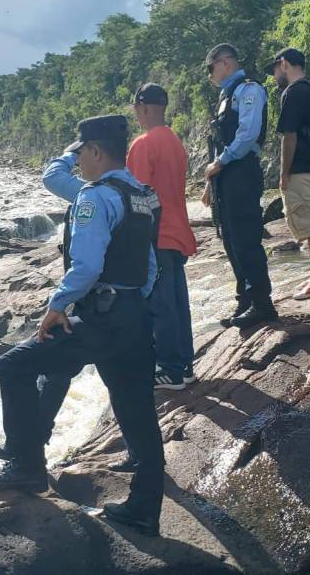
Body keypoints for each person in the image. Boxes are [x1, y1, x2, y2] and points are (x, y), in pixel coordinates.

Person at [0, 115, 165, 537]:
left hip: (99, 317)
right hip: (134, 314)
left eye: (80, 153)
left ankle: (25, 465)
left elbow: (87, 265)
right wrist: (134, 300)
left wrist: (56, 305)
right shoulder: (142, 195)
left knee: (15, 364)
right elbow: (151, 265)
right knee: (137, 410)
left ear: (96, 151)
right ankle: (144, 509)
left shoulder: (94, 198)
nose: (78, 162)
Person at [128, 83, 198, 391]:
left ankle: (169, 368)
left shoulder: (143, 144)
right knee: (177, 301)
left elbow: (137, 195)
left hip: (156, 234)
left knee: (160, 305)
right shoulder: (174, 140)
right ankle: (184, 366)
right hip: (177, 231)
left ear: (141, 109)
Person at [202, 43, 277, 329]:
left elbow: (247, 135)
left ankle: (262, 303)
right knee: (231, 240)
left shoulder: (249, 89)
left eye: (210, 68)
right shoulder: (226, 95)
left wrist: (220, 163)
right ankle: (245, 300)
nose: (210, 75)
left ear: (225, 63)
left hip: (241, 171)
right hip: (225, 175)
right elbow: (219, 141)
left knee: (245, 240)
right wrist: (212, 180)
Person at [265, 47, 310, 300]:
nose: (274, 77)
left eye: (274, 70)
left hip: (303, 168)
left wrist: (284, 173)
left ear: (283, 63)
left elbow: (289, 135)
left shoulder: (293, 92)